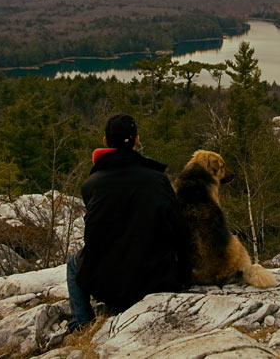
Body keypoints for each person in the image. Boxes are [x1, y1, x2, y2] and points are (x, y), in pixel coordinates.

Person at [67, 113, 190, 332]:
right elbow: (181, 231)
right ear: (136, 140)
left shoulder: (91, 185)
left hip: (110, 287)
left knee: (72, 263)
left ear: (105, 142)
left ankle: (82, 322)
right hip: (157, 281)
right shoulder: (158, 180)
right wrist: (184, 275)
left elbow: (96, 236)